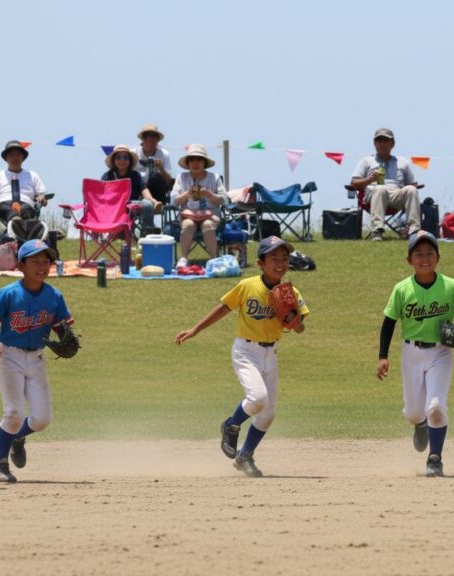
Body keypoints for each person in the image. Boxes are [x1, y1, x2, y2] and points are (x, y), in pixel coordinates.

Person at [174, 236, 309, 477]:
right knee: (257, 398)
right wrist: (195, 329)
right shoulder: (247, 286)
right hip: (246, 351)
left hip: (271, 353)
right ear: (260, 263)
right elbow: (223, 308)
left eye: (284, 259)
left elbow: (300, 328)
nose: (280, 263)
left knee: (268, 413)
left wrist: (292, 318)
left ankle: (245, 456)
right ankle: (231, 425)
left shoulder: (291, 292)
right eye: (273, 259)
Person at [376, 231, 454, 477]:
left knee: (435, 406)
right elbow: (388, 323)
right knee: (414, 412)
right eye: (419, 254)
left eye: (430, 254)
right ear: (409, 260)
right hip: (411, 353)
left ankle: (435, 458)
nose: (425, 258)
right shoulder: (402, 289)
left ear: (438, 257)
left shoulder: (451, 285)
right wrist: (383, 356)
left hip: (441, 353)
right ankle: (420, 424)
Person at [0, 239, 73, 484]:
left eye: (46, 261)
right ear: (21, 265)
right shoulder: (9, 293)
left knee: (42, 419)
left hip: (37, 358)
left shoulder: (54, 296)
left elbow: (61, 328)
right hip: (9, 355)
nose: (42, 266)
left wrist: (65, 339)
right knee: (14, 413)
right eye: (36, 261)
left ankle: (18, 438)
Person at [350, 128, 421, 241]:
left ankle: (414, 231)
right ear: (374, 143)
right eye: (379, 141)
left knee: (411, 189)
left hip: (396, 195)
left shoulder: (402, 162)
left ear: (392, 144)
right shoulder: (366, 160)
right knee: (380, 188)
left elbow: (413, 184)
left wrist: (411, 188)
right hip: (373, 195)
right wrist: (370, 179)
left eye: (385, 141)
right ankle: (377, 230)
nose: (382, 144)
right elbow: (354, 182)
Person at [172, 144, 226, 267]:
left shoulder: (214, 177)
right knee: (188, 225)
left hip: (210, 214)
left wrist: (209, 194)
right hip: (188, 215)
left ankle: (214, 260)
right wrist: (187, 193)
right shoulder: (181, 177)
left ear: (204, 162)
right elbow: (174, 201)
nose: (195, 163)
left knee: (208, 225)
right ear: (188, 163)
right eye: (192, 160)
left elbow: (224, 200)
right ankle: (183, 258)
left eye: (199, 159)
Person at [0, 140, 49, 223]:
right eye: (11, 155)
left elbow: (41, 193)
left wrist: (42, 197)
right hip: (4, 204)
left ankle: (17, 225)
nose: (15, 158)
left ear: (23, 158)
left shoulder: (32, 175)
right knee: (7, 209)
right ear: (6, 158)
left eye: (18, 155)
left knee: (26, 209)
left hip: (26, 205)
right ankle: (16, 222)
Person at [102, 144, 161, 230]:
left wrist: (154, 202)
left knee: (147, 204)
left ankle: (148, 232)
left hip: (131, 206)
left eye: (125, 157)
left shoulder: (135, 175)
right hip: (113, 207)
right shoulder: (107, 176)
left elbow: (144, 190)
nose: (122, 160)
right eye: (118, 157)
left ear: (130, 160)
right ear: (114, 160)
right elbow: (102, 195)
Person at [136, 123, 174, 205]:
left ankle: (156, 204)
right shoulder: (134, 154)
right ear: (143, 139)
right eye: (147, 135)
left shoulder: (164, 154)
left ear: (158, 140)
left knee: (155, 177)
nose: (150, 138)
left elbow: (170, 181)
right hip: (138, 191)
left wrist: (161, 169)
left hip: (157, 192)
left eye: (153, 136)